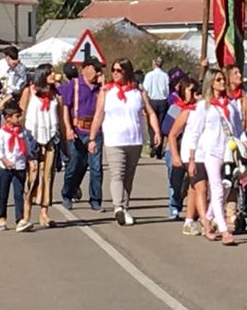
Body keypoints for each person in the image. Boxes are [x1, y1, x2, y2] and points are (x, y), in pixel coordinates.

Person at [88, 57, 161, 226]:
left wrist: (156, 131)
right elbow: (98, 115)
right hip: (114, 139)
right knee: (117, 174)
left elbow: (150, 112)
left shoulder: (138, 92)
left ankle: (125, 207)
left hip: (134, 140)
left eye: (119, 70)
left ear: (127, 72)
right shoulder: (106, 92)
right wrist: (92, 138)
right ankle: (118, 207)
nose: (115, 73)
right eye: (113, 70)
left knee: (128, 177)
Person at [184, 68, 247, 245]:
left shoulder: (231, 105)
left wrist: (246, 148)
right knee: (217, 189)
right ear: (211, 82)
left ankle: (209, 218)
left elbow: (239, 129)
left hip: (229, 151)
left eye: (222, 80)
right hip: (211, 152)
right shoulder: (204, 106)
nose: (222, 83)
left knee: (226, 186)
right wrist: (191, 158)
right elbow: (195, 133)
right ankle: (224, 230)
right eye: (218, 80)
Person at [19, 66, 65, 229]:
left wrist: (65, 142)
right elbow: (20, 115)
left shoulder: (56, 95)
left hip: (51, 140)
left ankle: (44, 213)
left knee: (48, 176)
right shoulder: (29, 92)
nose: (54, 75)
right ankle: (26, 215)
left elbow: (61, 118)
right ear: (42, 76)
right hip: (33, 139)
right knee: (32, 176)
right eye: (50, 72)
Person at [59, 58, 104, 211]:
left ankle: (96, 200)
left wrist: (103, 85)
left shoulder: (100, 89)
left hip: (95, 132)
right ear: (86, 68)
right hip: (78, 131)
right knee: (74, 166)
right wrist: (68, 128)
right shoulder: (75, 85)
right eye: (96, 69)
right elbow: (65, 107)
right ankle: (67, 194)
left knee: (96, 168)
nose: (98, 73)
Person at [167, 76, 201, 233]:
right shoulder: (177, 108)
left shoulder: (200, 111)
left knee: (190, 182)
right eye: (191, 91)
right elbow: (168, 130)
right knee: (176, 180)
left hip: (191, 152)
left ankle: (190, 212)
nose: (195, 94)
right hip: (175, 148)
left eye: (197, 91)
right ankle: (174, 206)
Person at [0, 105, 33, 232]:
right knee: (3, 193)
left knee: (19, 193)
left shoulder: (22, 131)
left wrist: (28, 158)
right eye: (17, 116)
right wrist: (5, 161)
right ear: (8, 118)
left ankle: (20, 219)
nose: (19, 119)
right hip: (6, 168)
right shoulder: (2, 133)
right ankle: (1, 218)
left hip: (19, 166)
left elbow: (26, 146)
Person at [143, 57, 170, 157]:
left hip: (152, 100)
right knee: (161, 124)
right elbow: (167, 90)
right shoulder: (165, 75)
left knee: (151, 124)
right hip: (162, 100)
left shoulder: (149, 75)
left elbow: (145, 89)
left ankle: (153, 144)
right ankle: (159, 148)